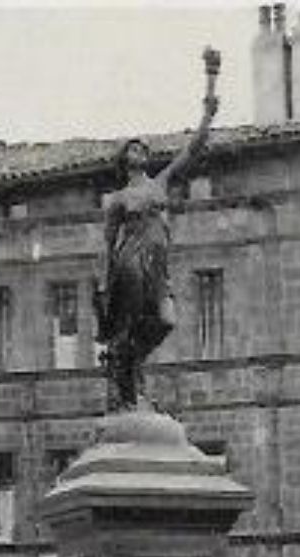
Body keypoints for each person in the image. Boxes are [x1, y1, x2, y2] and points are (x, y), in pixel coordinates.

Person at [96, 57, 219, 409]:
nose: (139, 151)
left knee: (165, 320)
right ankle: (127, 373)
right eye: (132, 148)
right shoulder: (118, 199)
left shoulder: (160, 183)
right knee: (131, 322)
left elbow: (193, 149)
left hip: (158, 264)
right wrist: (105, 286)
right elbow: (107, 243)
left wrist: (208, 105)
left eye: (142, 148)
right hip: (130, 261)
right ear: (123, 160)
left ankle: (129, 363)